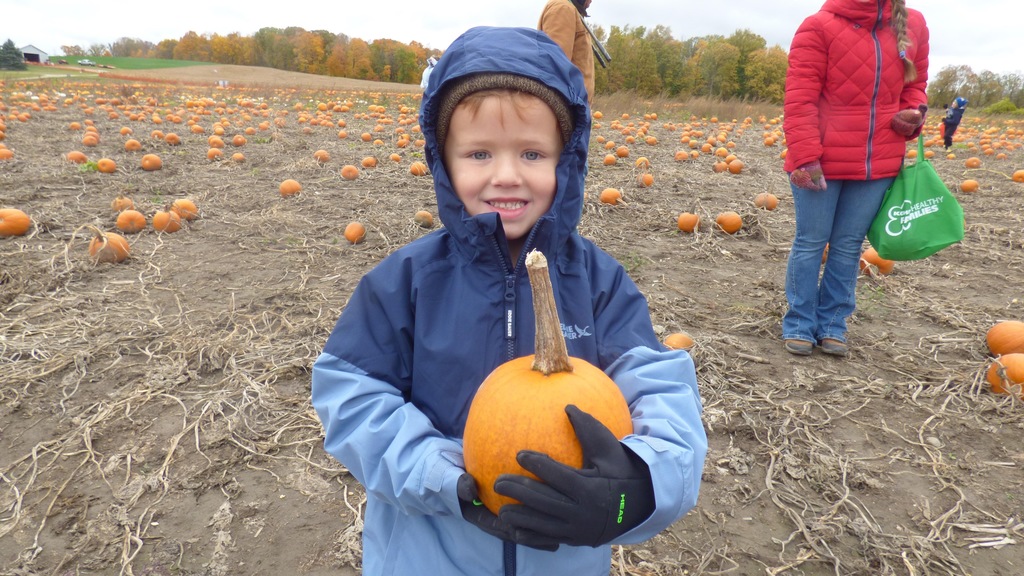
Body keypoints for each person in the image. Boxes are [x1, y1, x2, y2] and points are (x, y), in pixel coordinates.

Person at [311, 25, 706, 576]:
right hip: (430, 553)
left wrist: (638, 484)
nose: (506, 176)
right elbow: (350, 399)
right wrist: (446, 475)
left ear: (565, 163)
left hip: (564, 558)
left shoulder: (598, 281)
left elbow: (662, 394)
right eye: (478, 153)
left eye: (531, 152)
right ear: (443, 163)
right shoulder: (406, 281)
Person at [782, 0, 929, 358]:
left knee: (848, 246)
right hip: (822, 161)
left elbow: (916, 85)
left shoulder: (914, 25)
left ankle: (833, 325)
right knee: (811, 242)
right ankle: (800, 322)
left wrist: (914, 113)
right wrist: (805, 157)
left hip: (877, 161)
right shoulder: (818, 26)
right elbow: (800, 98)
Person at [538, 0, 595, 103]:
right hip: (568, 108)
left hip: (575, 107)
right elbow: (556, 68)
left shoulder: (570, 10)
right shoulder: (563, 9)